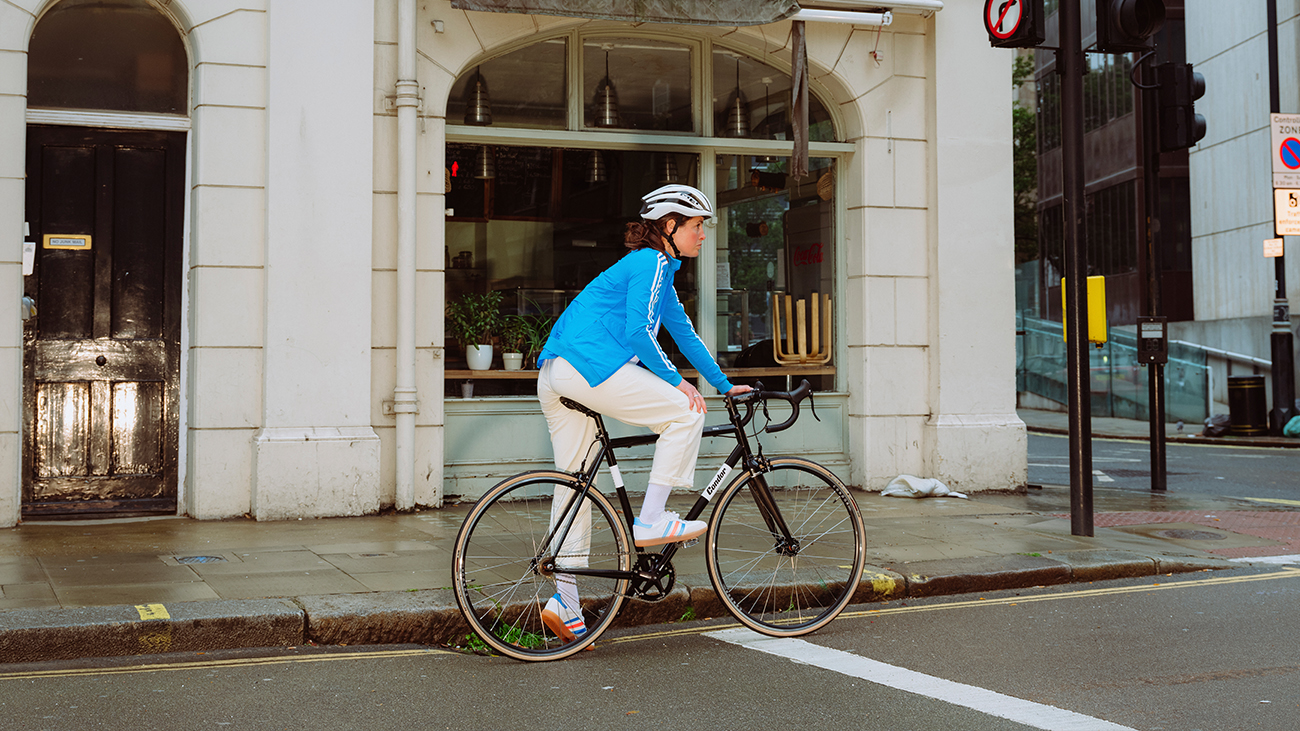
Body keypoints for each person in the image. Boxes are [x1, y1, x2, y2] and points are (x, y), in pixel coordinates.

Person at [534, 184, 752, 643]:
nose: (703, 235)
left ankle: (566, 603)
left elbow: (686, 335)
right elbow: (638, 333)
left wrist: (724, 383)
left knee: (573, 484)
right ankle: (651, 519)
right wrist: (680, 383)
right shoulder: (652, 263)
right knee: (684, 412)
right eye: (697, 226)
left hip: (557, 372)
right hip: (590, 366)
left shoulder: (657, 271)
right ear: (669, 227)